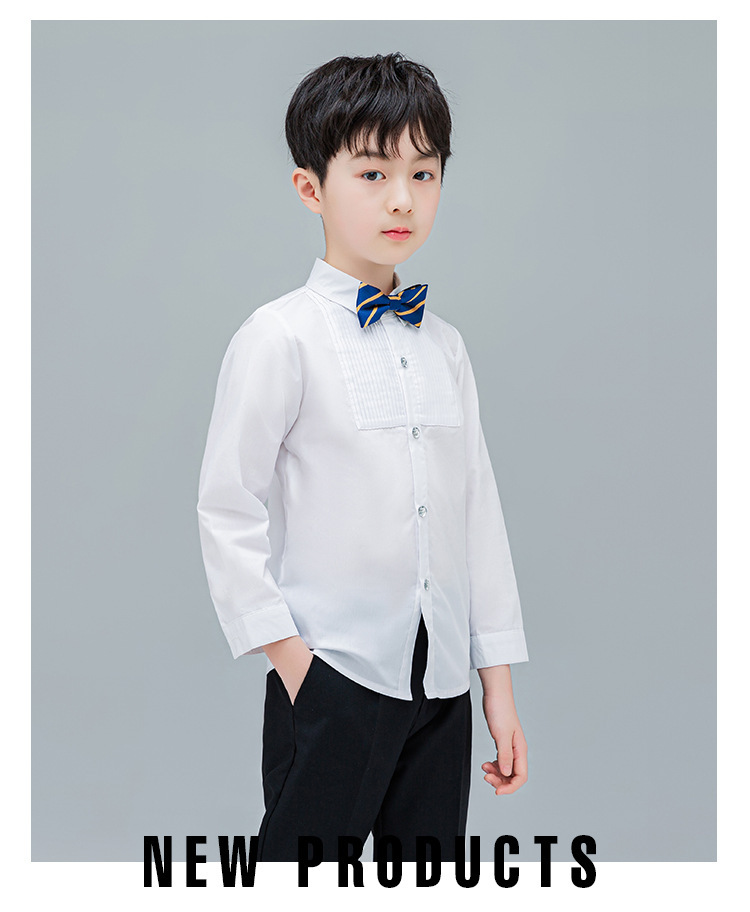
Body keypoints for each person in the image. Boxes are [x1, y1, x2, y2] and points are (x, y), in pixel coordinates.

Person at [196, 52, 529, 863]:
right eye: (374, 173)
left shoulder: (446, 347)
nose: (402, 198)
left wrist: (497, 684)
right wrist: (294, 665)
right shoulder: (279, 337)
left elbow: (476, 513)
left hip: (442, 685)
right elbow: (227, 508)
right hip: (336, 674)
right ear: (311, 188)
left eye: (423, 172)